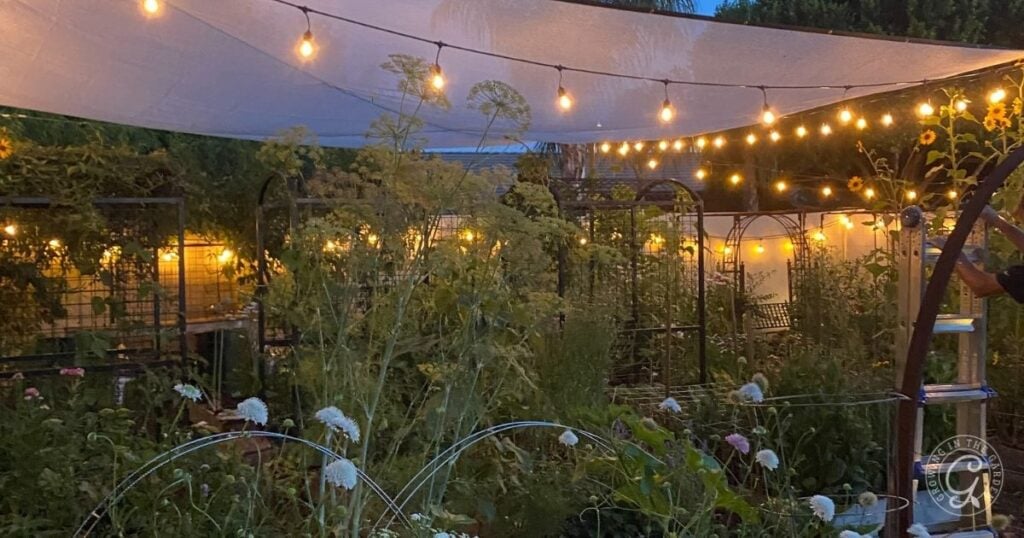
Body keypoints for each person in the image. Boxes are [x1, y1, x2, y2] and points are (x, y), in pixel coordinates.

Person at [944, 206, 1024, 302]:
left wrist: (953, 251)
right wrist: (999, 222)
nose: (1015, 214)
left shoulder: (1020, 278)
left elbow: (981, 285)